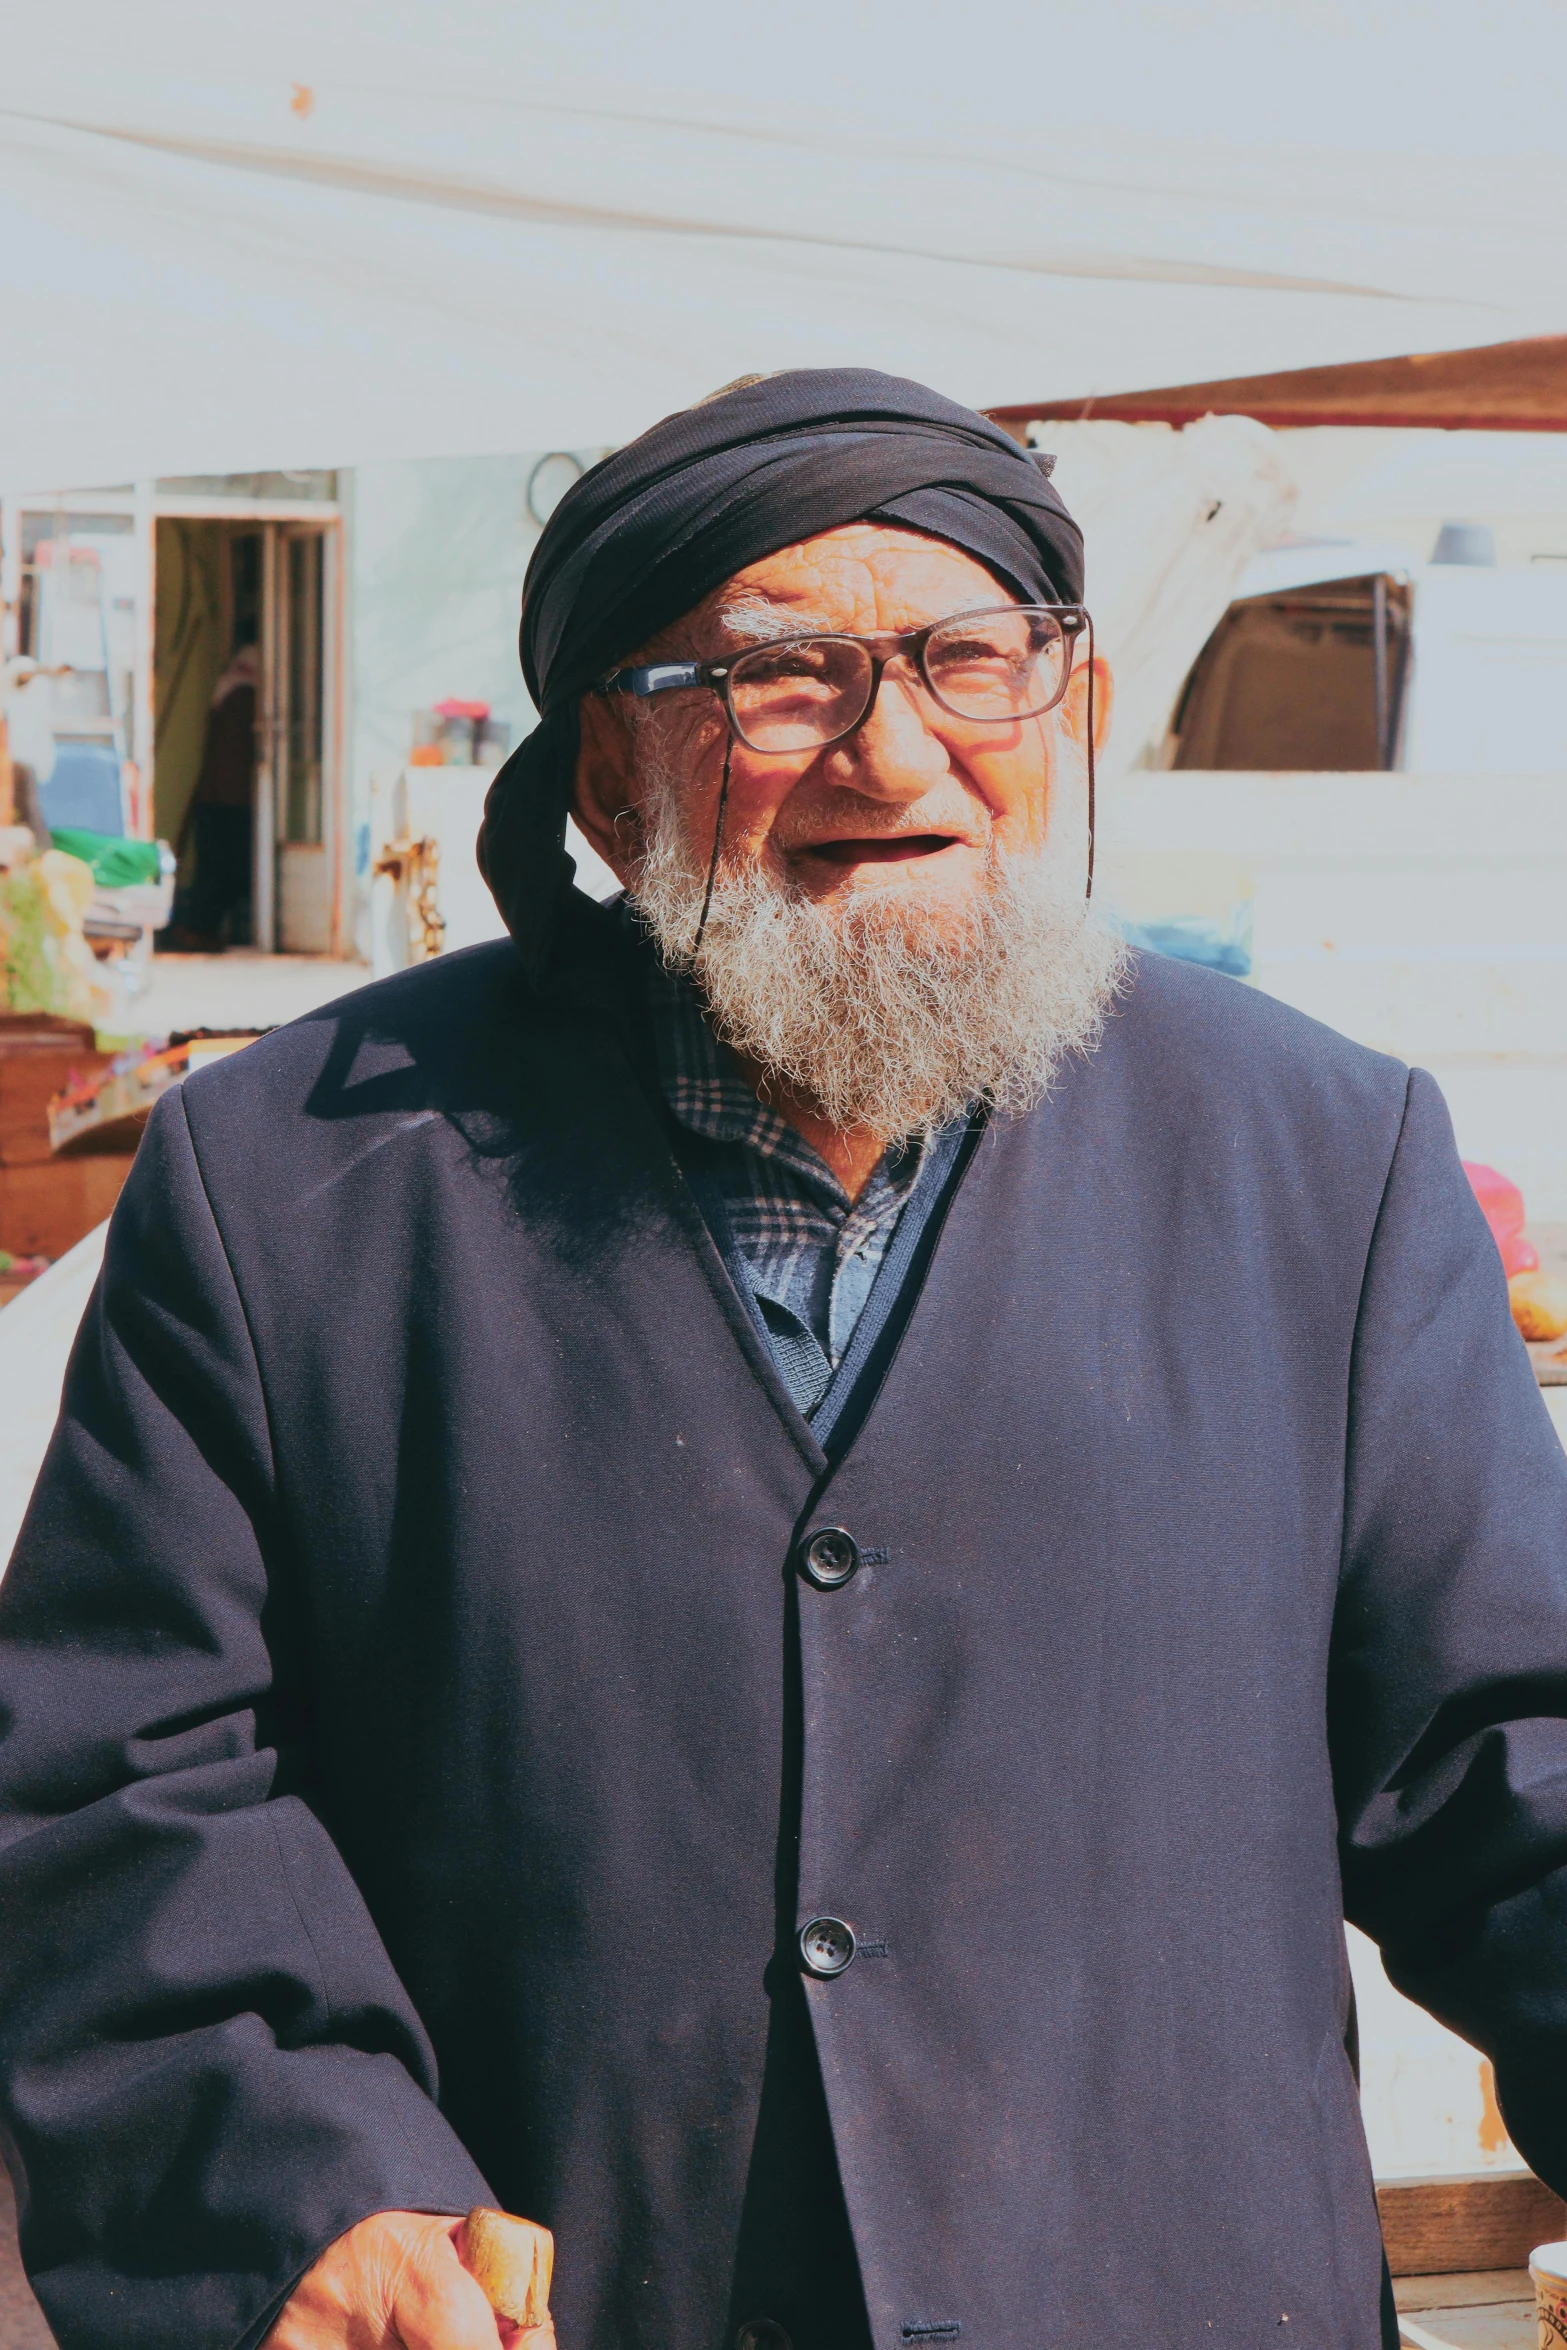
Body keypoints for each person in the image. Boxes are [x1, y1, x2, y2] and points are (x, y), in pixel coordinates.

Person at [2, 368, 1566, 2350]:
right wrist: (305, 2186)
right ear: (605, 779)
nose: (889, 743)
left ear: (1067, 710)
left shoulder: (1322, 1167)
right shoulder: (294, 1186)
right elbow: (121, 1788)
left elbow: (1516, 1769)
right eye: (778, 678)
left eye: (964, 659)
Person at [165, 641, 258, 950]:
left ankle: (198, 930)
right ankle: (198, 932)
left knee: (214, 869)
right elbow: (235, 758)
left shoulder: (226, 692)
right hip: (231, 801)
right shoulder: (244, 697)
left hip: (216, 799)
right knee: (223, 871)